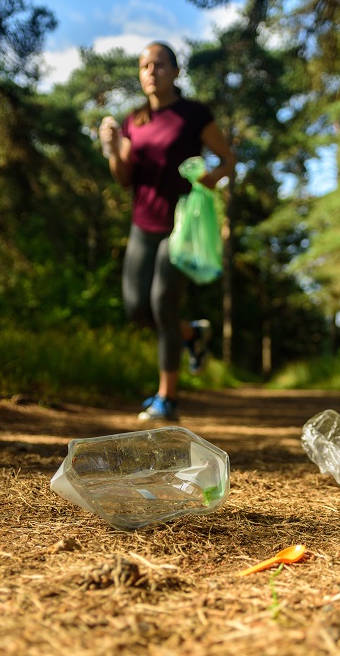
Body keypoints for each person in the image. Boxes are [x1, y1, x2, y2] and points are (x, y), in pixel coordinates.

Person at [99, 41, 236, 422]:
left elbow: (227, 160)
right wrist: (112, 150)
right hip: (143, 223)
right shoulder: (134, 121)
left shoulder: (193, 115)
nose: (150, 72)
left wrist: (202, 184)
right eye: (144, 66)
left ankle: (167, 399)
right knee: (136, 308)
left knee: (162, 304)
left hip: (180, 225)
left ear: (176, 72)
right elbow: (125, 179)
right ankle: (192, 335)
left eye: (159, 65)